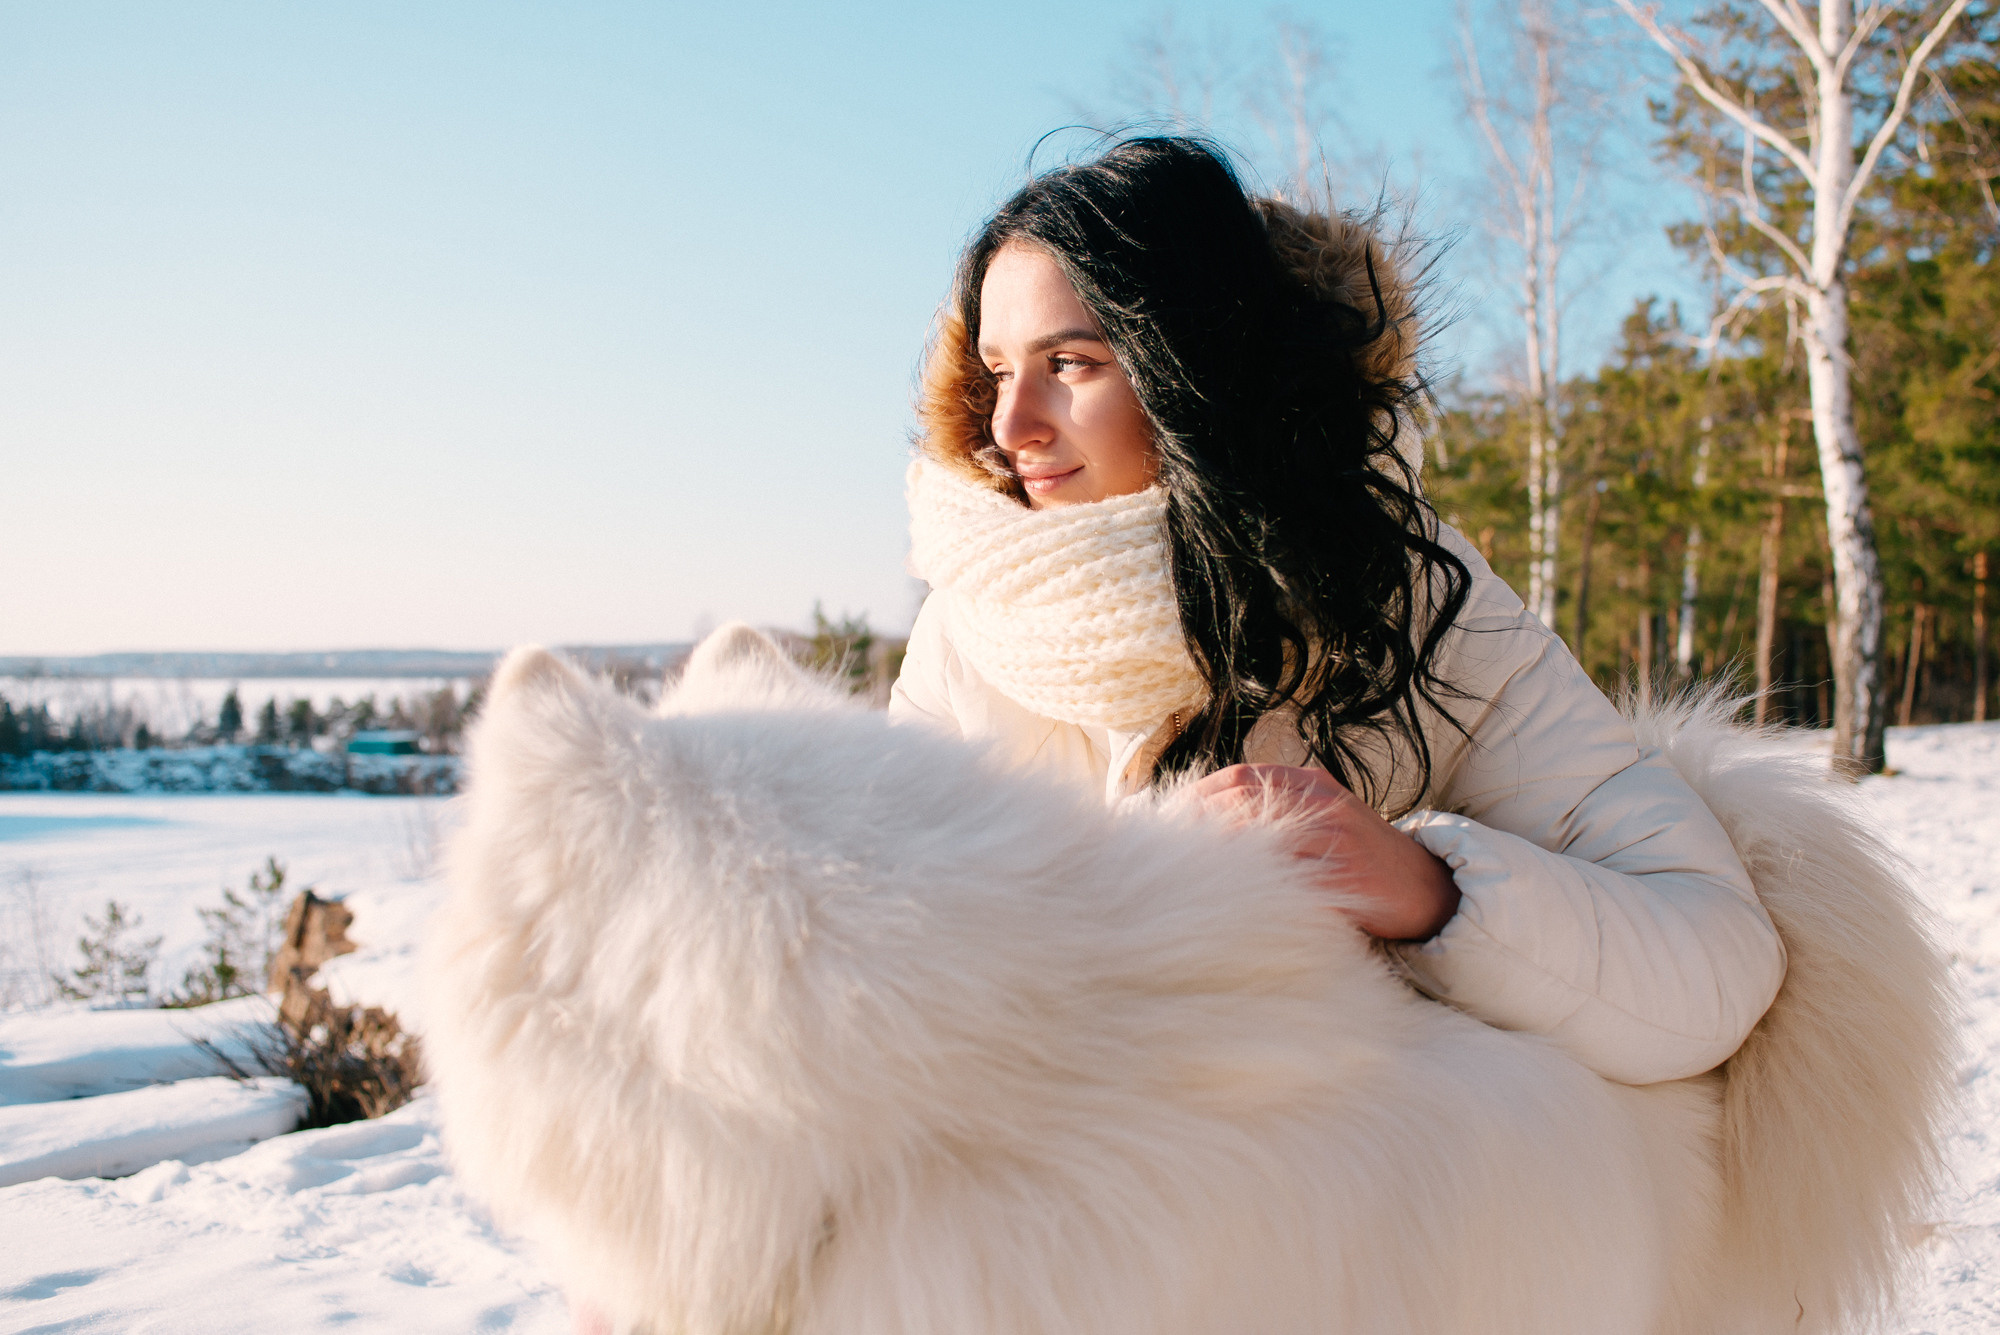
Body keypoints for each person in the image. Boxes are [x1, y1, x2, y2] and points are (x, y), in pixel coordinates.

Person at [890, 136, 1785, 1087]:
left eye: (1068, 363)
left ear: (1193, 364)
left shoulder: (1414, 602)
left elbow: (1714, 967)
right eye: (995, 373)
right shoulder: (967, 628)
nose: (1010, 423)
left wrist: (1424, 888)